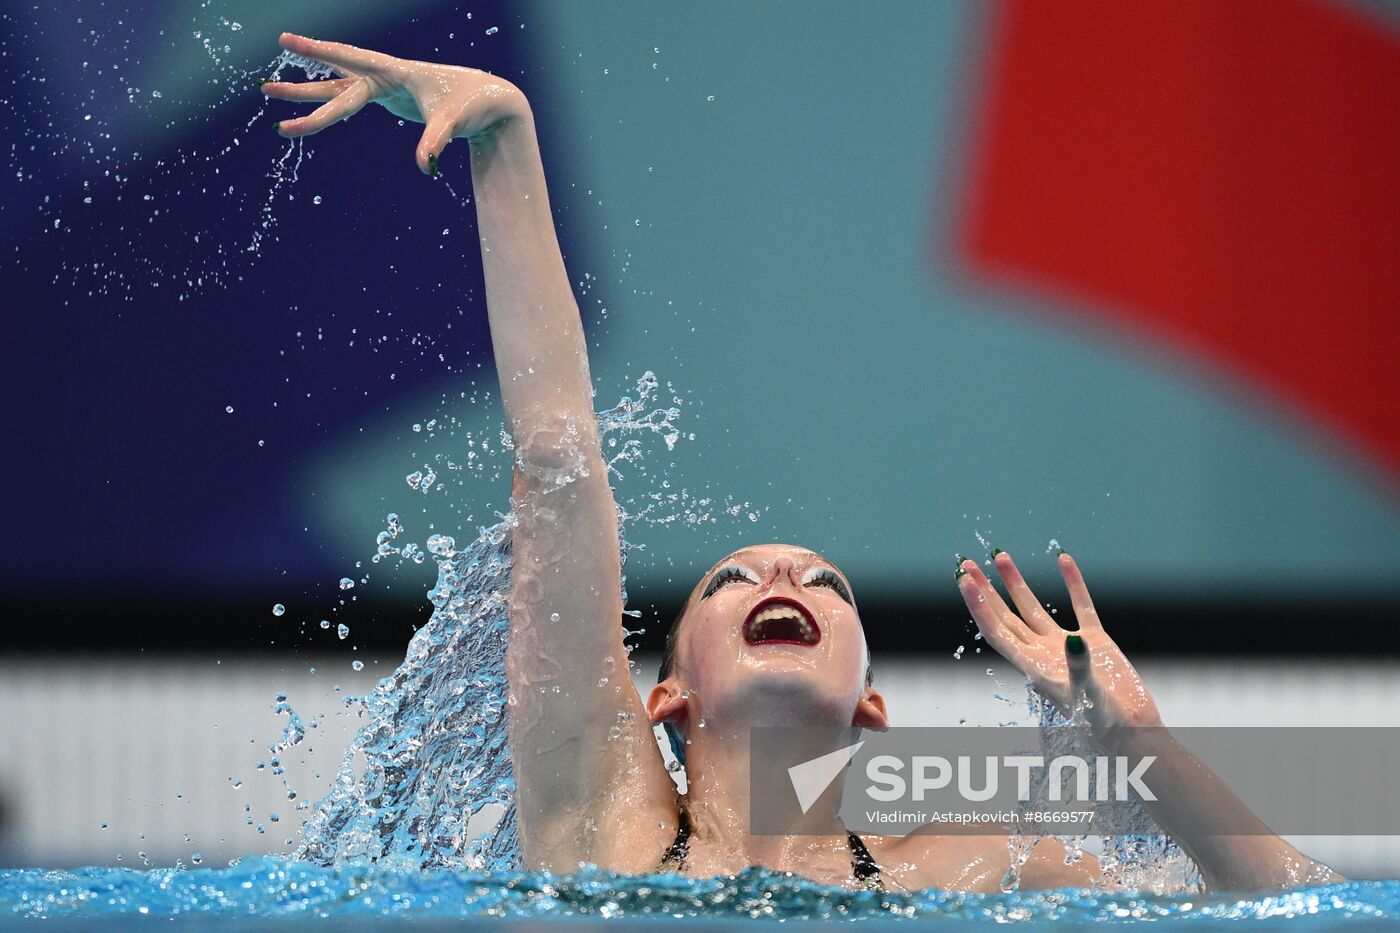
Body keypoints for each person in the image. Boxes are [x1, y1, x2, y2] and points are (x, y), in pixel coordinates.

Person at [263, 33, 1341, 892]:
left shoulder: (961, 866)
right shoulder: (602, 819)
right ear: (668, 692)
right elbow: (556, 458)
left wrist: (1140, 741)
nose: (782, 580)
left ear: (869, 704)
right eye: (734, 579)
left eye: (821, 582)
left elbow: (1290, 906)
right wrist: (506, 137)